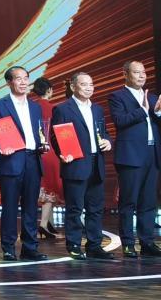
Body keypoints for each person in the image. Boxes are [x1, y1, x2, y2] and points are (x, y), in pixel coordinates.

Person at [0, 67, 49, 261]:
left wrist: (42, 144)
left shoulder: (35, 107)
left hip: (33, 159)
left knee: (31, 206)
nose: (23, 82)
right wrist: (1, 145)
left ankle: (30, 247)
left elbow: (39, 132)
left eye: (26, 78)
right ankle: (8, 248)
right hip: (11, 160)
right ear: (9, 82)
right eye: (18, 79)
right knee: (10, 206)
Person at [50, 72, 114, 260]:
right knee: (75, 208)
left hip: (96, 163)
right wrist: (62, 153)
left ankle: (94, 245)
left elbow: (104, 132)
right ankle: (74, 244)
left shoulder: (97, 109)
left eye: (91, 84)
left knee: (95, 208)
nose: (89, 88)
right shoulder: (63, 109)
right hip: (75, 163)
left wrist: (108, 141)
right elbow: (55, 135)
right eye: (84, 84)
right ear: (73, 87)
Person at [107, 60, 161, 258]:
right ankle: (128, 243)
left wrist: (158, 112)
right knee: (128, 202)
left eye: (143, 72)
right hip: (130, 156)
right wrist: (143, 110)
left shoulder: (152, 97)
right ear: (125, 74)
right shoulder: (117, 96)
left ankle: (147, 242)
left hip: (152, 154)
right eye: (137, 72)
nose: (142, 76)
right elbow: (120, 121)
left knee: (149, 202)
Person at [30, 77, 62, 239]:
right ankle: (43, 225)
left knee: (45, 188)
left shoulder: (31, 107)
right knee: (51, 188)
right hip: (51, 152)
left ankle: (48, 224)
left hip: (35, 152)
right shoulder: (53, 108)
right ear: (49, 90)